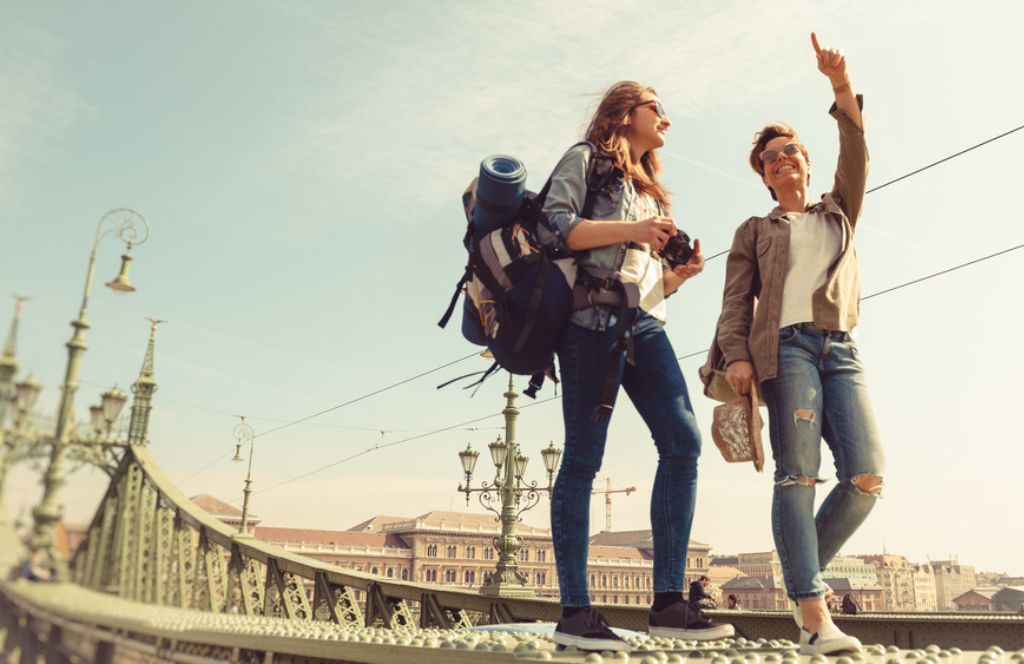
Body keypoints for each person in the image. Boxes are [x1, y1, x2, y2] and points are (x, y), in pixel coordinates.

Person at [704, 33, 882, 656]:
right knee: (798, 474)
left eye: (789, 153)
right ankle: (812, 615)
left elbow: (856, 149)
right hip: (786, 350)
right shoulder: (756, 230)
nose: (781, 162)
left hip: (842, 347)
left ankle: (796, 571)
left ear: (806, 161)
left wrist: (839, 84)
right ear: (765, 176)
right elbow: (734, 302)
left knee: (865, 476)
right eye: (769, 160)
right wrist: (739, 355)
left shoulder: (838, 212)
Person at [544, 81, 733, 652]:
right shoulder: (586, 159)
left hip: (646, 325)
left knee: (683, 440)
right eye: (659, 109)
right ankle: (576, 612)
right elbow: (558, 225)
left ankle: (669, 601)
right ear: (628, 113)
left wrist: (678, 275)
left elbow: (645, 278)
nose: (668, 119)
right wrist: (633, 230)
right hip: (588, 325)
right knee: (582, 458)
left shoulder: (651, 192)